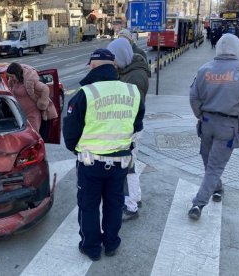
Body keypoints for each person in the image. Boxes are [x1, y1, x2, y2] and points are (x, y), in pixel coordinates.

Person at [63, 49, 145, 261]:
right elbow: (137, 125)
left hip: (90, 163)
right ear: (114, 67)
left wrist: (78, 150)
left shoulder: (86, 94)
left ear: (92, 67)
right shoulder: (132, 92)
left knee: (89, 206)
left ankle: (91, 248)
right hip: (120, 162)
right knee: (114, 204)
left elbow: (70, 133)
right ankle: (111, 244)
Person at [188, 34, 239, 220]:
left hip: (207, 123)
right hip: (229, 125)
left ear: (218, 47)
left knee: (208, 160)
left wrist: (200, 115)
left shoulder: (204, 69)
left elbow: (194, 97)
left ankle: (216, 188)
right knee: (214, 166)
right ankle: (199, 203)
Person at [107, 37, 149, 220]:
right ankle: (136, 198)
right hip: (129, 126)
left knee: (127, 168)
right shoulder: (127, 70)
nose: (112, 62)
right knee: (130, 166)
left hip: (130, 128)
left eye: (113, 58)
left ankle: (131, 207)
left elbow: (133, 106)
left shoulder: (136, 75)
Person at [6, 62, 57, 132]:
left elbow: (45, 88)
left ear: (17, 73)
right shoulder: (13, 81)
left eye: (12, 76)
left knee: (32, 135)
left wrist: (42, 103)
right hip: (20, 114)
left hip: (32, 114)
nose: (11, 78)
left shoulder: (29, 81)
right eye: (10, 77)